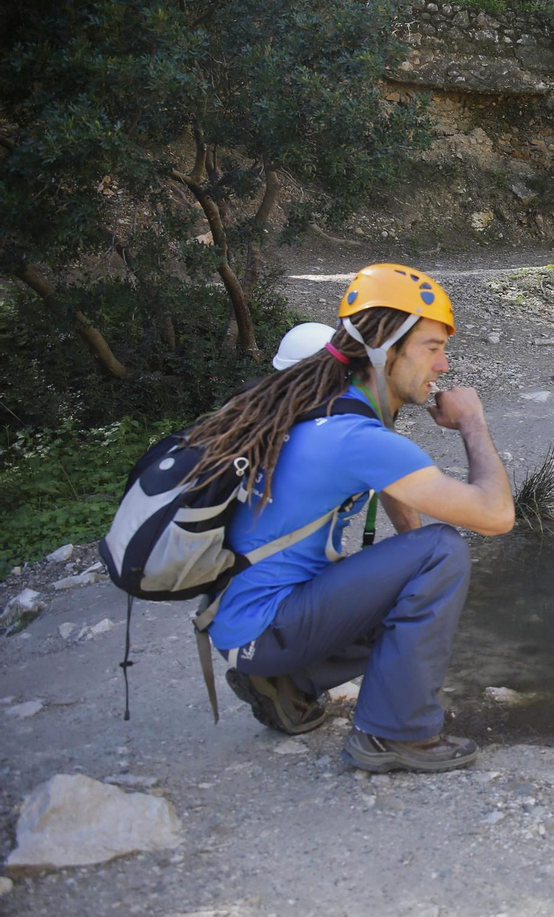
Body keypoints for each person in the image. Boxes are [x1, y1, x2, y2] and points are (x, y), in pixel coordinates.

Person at [186, 263, 515, 773]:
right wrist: (473, 422)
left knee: (427, 562)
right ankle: (391, 735)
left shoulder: (328, 409)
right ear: (386, 347)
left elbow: (400, 508)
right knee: (445, 549)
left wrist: (417, 592)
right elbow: (495, 516)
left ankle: (290, 684)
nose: (444, 365)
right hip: (262, 630)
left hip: (238, 622)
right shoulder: (353, 438)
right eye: (432, 347)